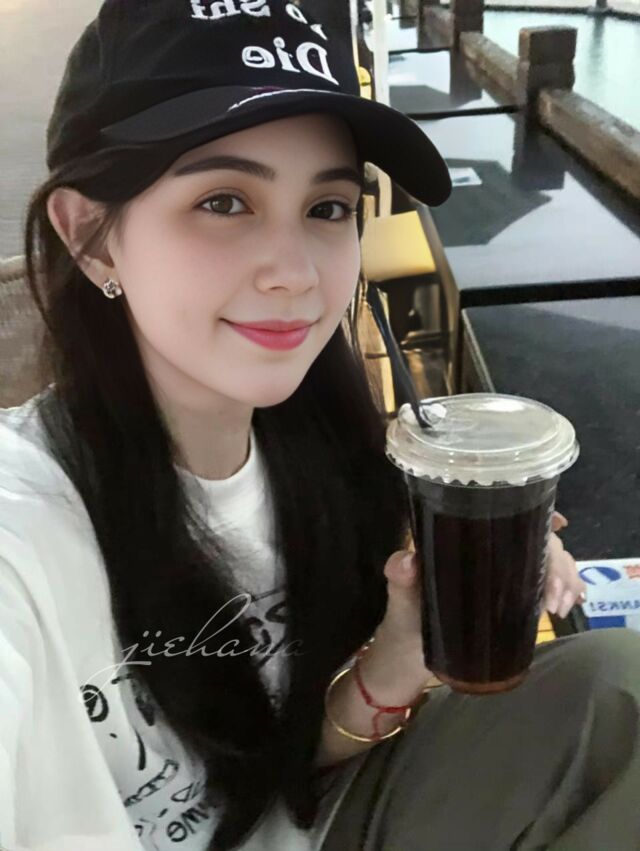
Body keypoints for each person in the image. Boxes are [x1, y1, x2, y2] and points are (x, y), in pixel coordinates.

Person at [0, 2, 638, 850]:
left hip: (325, 815)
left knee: (614, 688)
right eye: (224, 201)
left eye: (328, 207)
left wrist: (399, 652)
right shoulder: (25, 529)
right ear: (91, 236)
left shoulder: (321, 443)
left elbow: (280, 777)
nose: (297, 272)